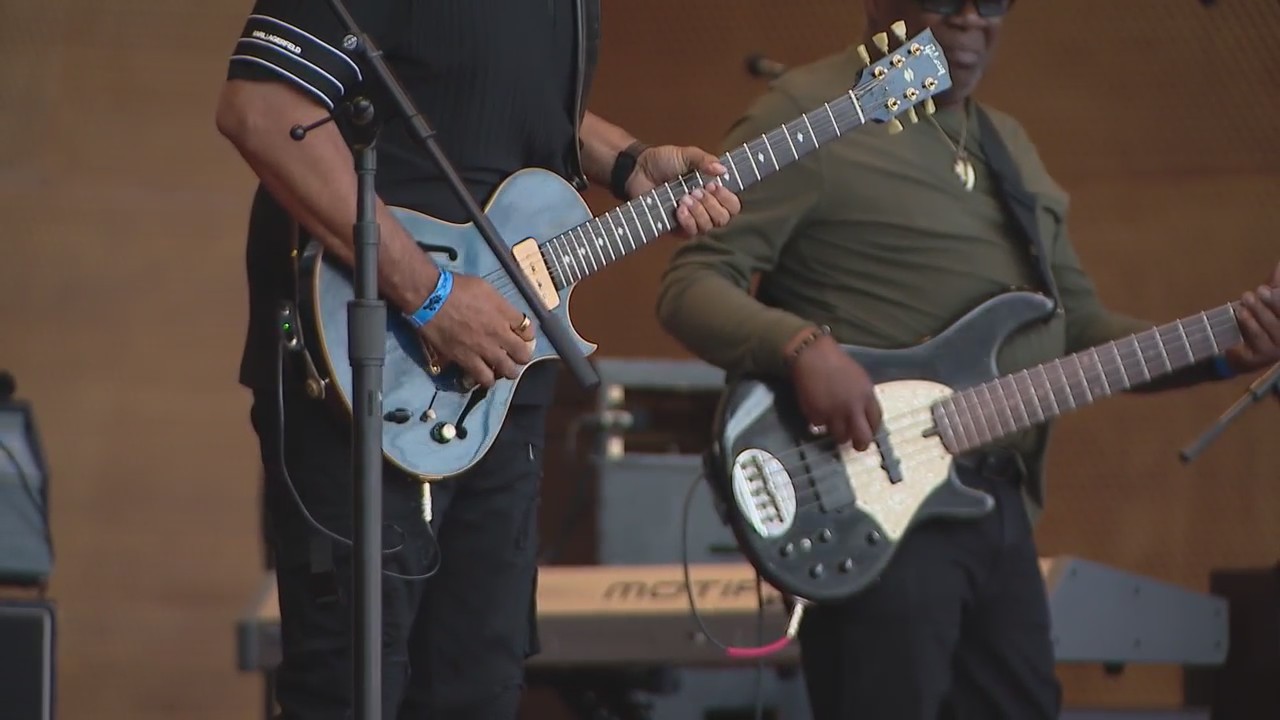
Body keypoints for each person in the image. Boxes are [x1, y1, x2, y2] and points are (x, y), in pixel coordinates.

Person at [655, 0, 1280, 718]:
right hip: (872, 502)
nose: (973, 22)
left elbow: (1077, 333)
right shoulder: (810, 114)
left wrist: (1223, 353)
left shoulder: (1008, 145)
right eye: (947, 3)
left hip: (993, 505)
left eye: (994, 5)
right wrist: (800, 348)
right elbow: (691, 283)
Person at [214, 1, 741, 718]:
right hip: (360, 369)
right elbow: (263, 109)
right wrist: (429, 295)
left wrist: (626, 161)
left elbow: (492, 92)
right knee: (351, 683)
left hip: (497, 381)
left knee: (478, 680)